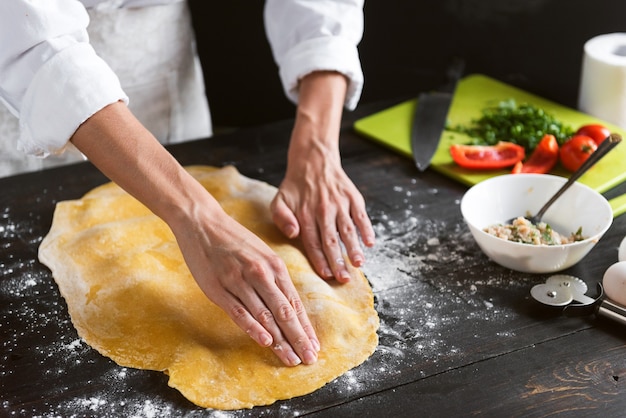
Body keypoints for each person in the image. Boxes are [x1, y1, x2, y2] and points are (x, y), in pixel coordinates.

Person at [0, 0, 375, 367]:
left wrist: (318, 145)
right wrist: (198, 216)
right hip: (21, 91)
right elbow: (27, 33)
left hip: (160, 65)